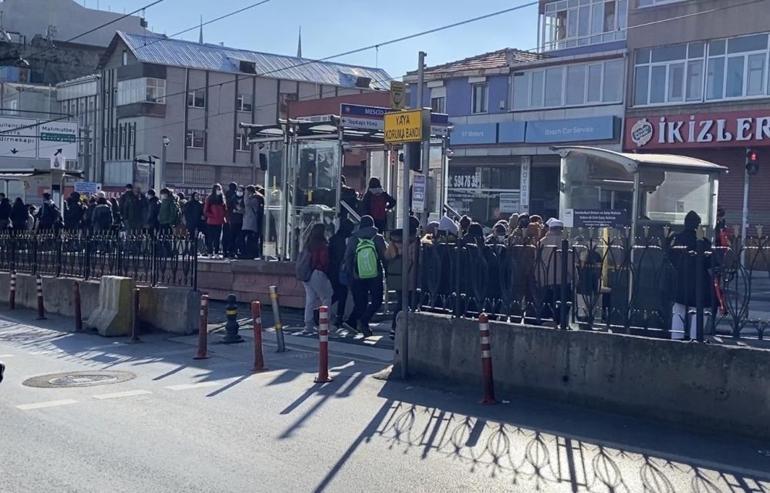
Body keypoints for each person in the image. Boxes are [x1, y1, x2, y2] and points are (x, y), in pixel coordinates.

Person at [669, 210, 712, 340]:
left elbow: (670, 257)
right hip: (700, 280)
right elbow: (710, 262)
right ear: (697, 225)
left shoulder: (676, 239)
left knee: (678, 309)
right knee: (700, 310)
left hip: (681, 279)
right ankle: (696, 338)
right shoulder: (703, 242)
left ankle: (676, 337)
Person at [343, 215, 387, 337]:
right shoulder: (378, 238)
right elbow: (384, 257)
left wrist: (350, 274)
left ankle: (352, 322)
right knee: (377, 301)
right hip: (375, 275)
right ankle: (364, 321)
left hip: (357, 276)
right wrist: (387, 273)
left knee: (360, 302)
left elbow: (348, 258)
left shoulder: (353, 239)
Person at [299, 223, 334, 332]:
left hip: (306, 274)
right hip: (317, 273)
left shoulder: (307, 243)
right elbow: (324, 261)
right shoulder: (322, 245)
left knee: (310, 299)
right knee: (327, 297)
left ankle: (308, 324)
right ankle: (325, 323)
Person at [385, 224, 418, 339]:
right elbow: (417, 260)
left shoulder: (393, 243)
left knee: (400, 303)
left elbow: (387, 256)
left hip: (398, 278)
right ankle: (403, 329)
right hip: (411, 278)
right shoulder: (414, 244)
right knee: (410, 303)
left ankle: (394, 328)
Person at [328, 218, 354, 327]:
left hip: (332, 271)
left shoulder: (334, 238)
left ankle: (337, 316)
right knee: (340, 294)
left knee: (338, 294)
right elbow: (343, 256)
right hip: (340, 271)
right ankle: (337, 316)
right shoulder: (344, 240)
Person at [203, 184, 227, 257]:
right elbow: (205, 211)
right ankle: (210, 252)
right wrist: (213, 216)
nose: (219, 191)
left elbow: (225, 209)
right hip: (211, 222)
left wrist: (223, 216)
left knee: (217, 238)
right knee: (210, 238)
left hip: (219, 222)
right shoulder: (209, 198)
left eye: (220, 189)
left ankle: (216, 253)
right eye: (217, 189)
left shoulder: (222, 199)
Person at [241, 185, 264, 259]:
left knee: (250, 239)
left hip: (251, 222)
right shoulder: (254, 198)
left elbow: (247, 203)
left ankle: (252, 254)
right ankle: (250, 253)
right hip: (248, 222)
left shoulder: (254, 199)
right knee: (249, 239)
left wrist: (245, 195)